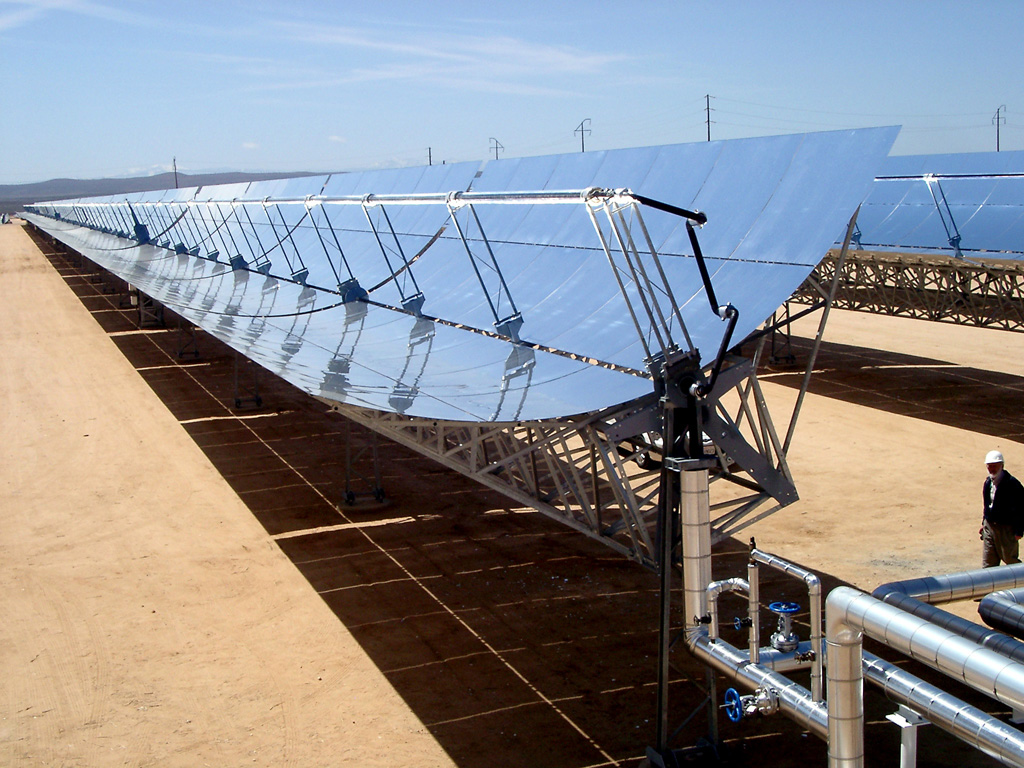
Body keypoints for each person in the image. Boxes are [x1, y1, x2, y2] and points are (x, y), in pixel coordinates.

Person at [980, 450, 1024, 567]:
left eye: (995, 466)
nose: (992, 469)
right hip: (990, 526)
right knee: (988, 563)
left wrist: (1019, 530)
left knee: (1010, 560)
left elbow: (1021, 507)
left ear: (1002, 466)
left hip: (1006, 528)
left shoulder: (1012, 484)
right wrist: (983, 523)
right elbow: (987, 505)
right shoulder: (988, 482)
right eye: (989, 466)